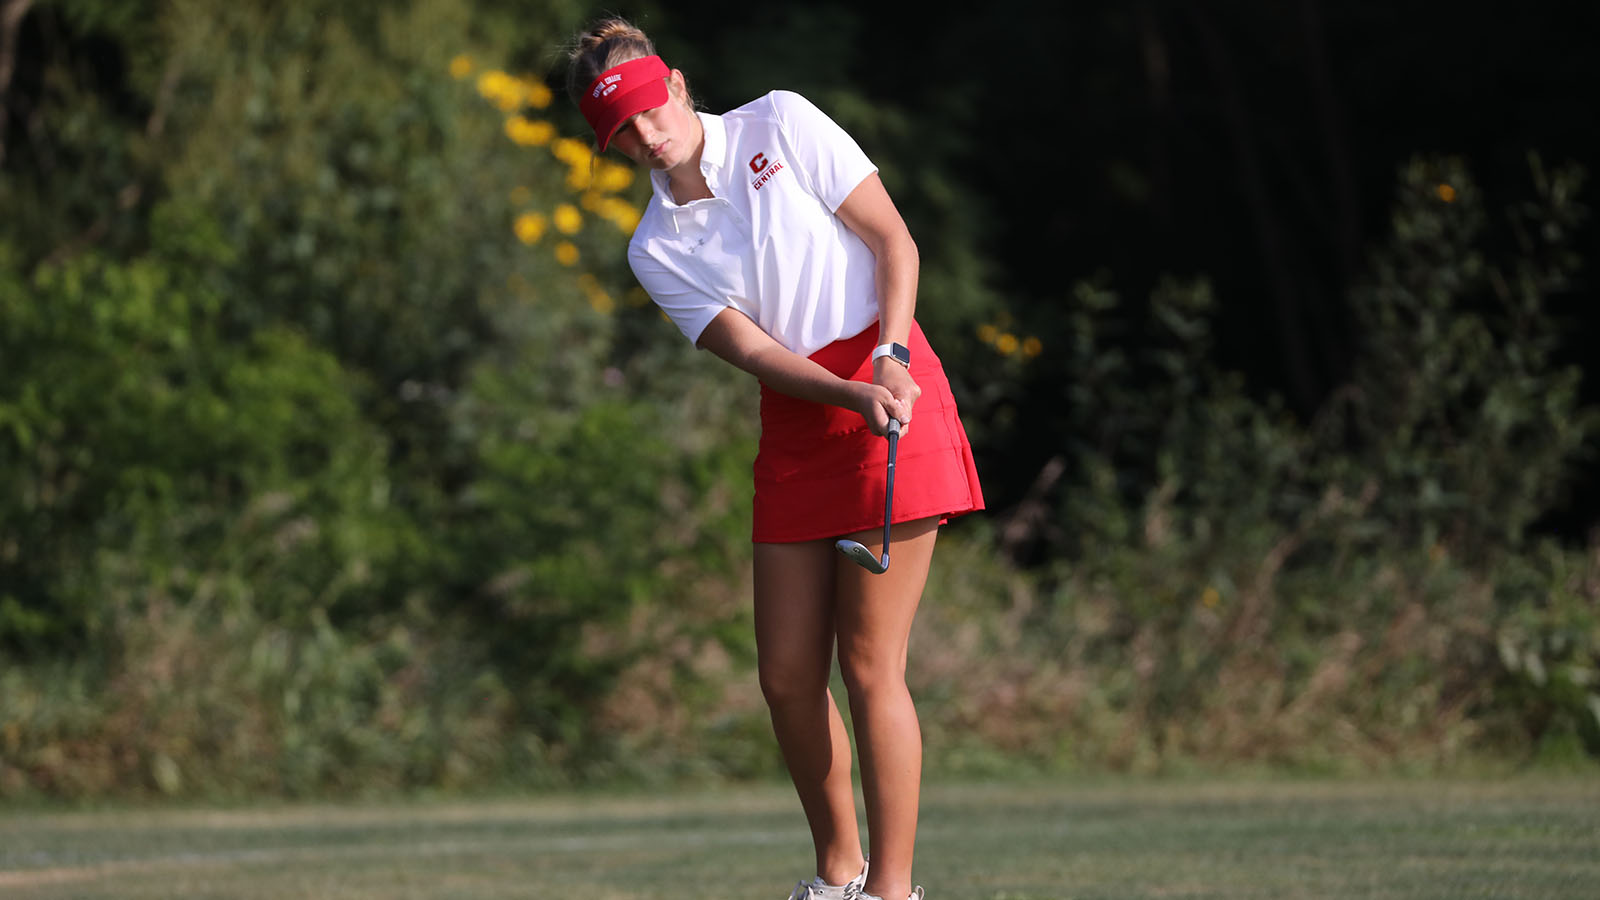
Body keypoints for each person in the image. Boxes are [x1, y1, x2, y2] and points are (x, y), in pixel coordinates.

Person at [566, 18, 984, 900]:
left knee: (869, 666)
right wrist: (843, 395)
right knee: (788, 676)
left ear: (677, 84)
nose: (647, 135)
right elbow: (753, 351)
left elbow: (895, 242)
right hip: (802, 414)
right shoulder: (654, 246)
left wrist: (888, 359)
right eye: (623, 131)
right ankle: (839, 875)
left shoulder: (780, 121)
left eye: (649, 109)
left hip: (892, 381)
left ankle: (892, 892)